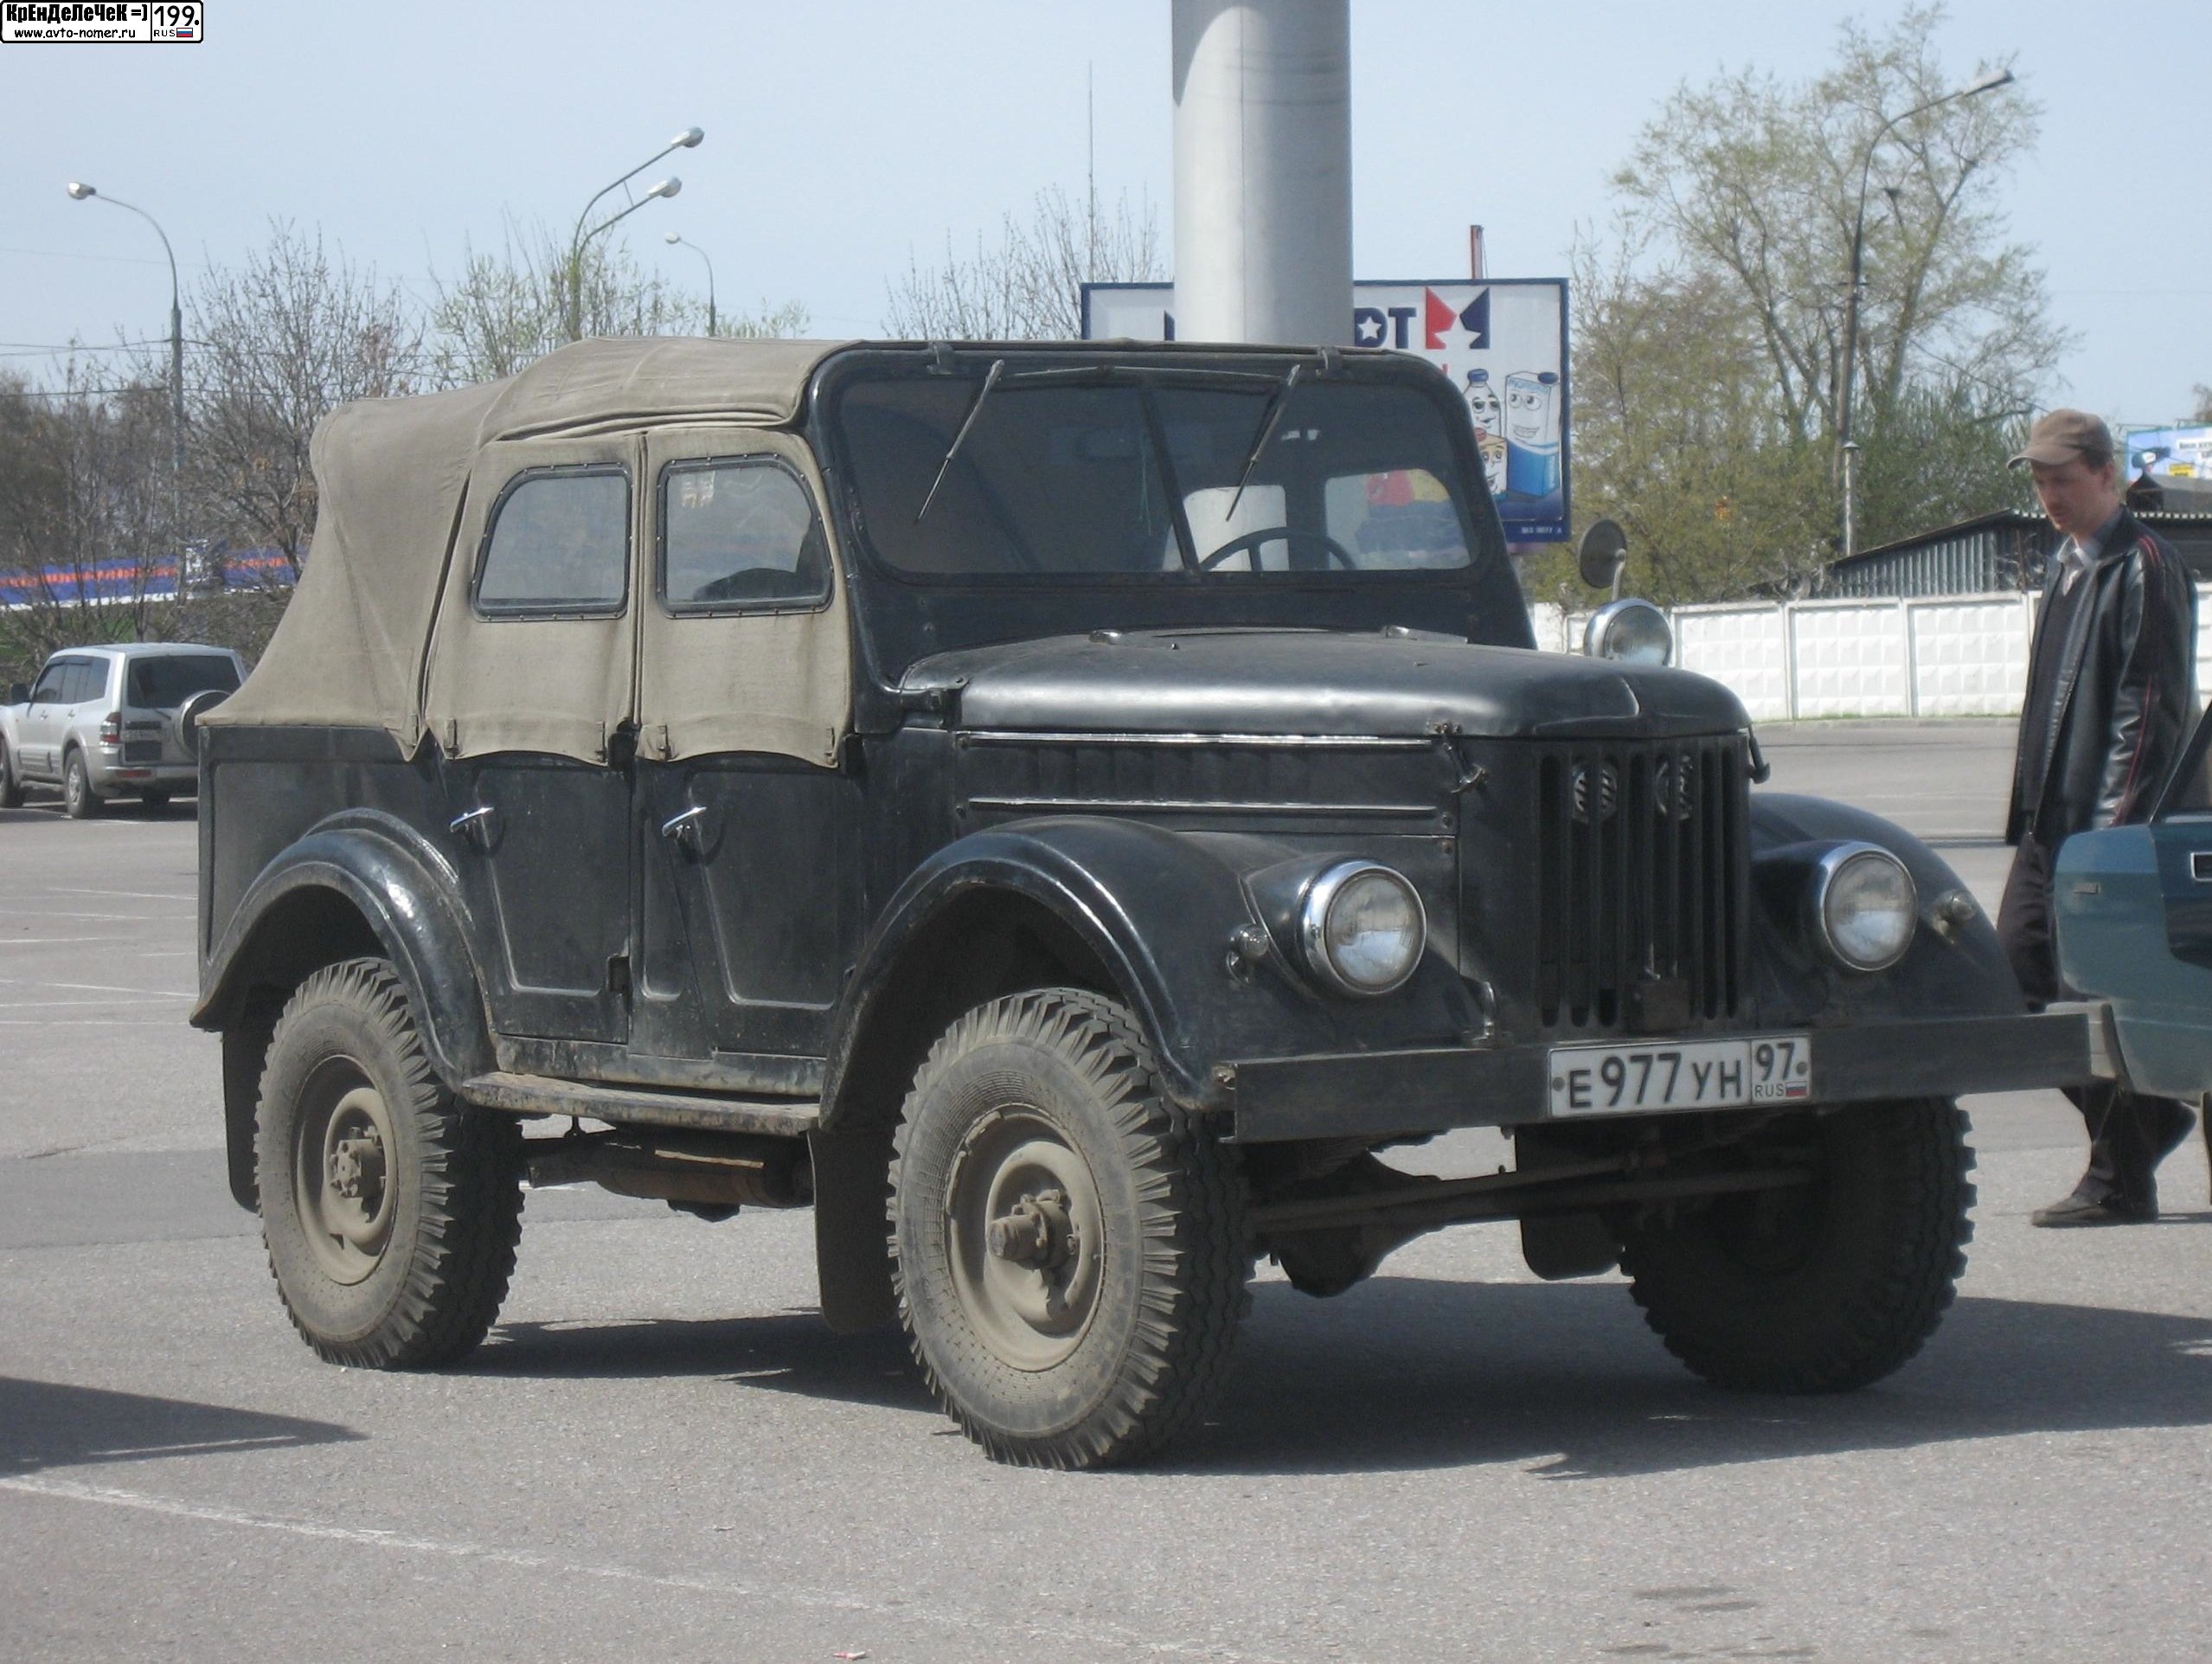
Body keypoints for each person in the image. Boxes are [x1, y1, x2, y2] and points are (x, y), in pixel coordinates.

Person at [1997, 408, 2201, 1226]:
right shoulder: (2066, 562)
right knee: (2010, 978)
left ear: (2105, 476)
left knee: (2090, 1004)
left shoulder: (2145, 565)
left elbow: (2147, 710)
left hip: (2099, 829)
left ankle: (2120, 1177)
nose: (2049, 494)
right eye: (2040, 480)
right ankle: (2150, 1120)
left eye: (2062, 479)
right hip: (2050, 822)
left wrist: (2108, 835)